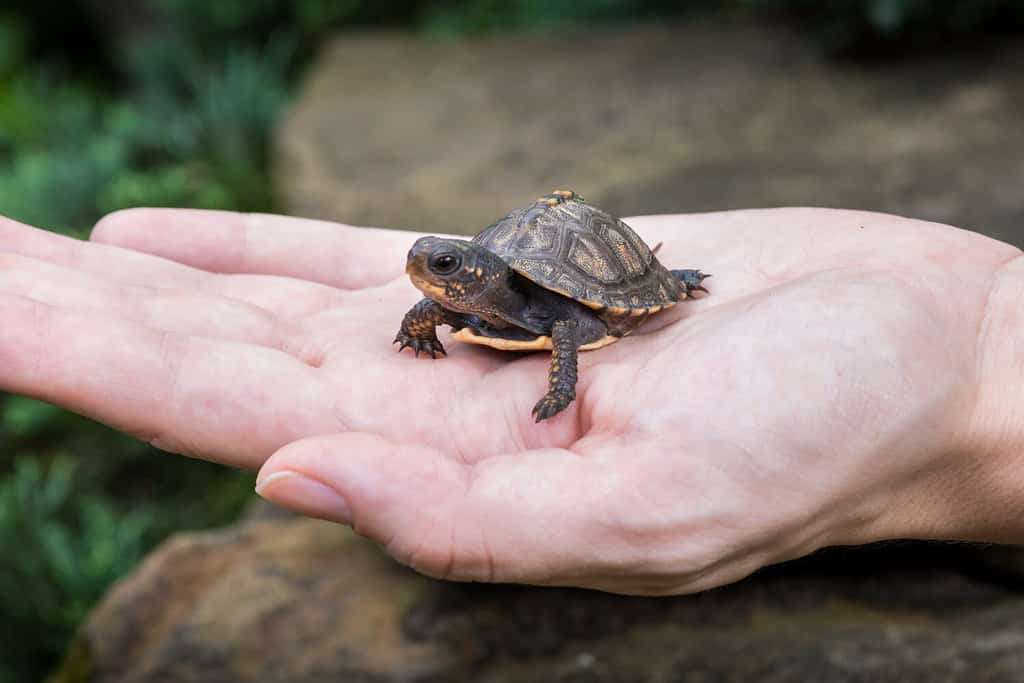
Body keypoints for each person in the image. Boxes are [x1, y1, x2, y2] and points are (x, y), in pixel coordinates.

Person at [0, 206, 1020, 595]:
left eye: (442, 268)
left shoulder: (544, 301)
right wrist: (417, 326)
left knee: (590, 314)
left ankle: (682, 275)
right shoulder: (458, 295)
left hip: (583, 281)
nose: (427, 272)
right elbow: (436, 306)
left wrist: (561, 383)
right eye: (429, 267)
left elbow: (571, 325)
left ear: (474, 268)